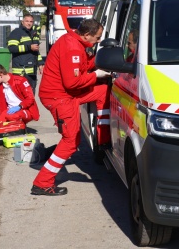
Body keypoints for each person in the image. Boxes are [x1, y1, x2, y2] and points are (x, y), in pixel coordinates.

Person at [31, 18, 110, 196]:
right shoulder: (73, 47)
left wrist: (100, 62)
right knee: (71, 141)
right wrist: (96, 75)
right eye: (96, 38)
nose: (97, 41)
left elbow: (83, 64)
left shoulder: (75, 42)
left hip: (65, 95)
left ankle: (103, 138)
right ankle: (42, 183)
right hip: (60, 97)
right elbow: (72, 82)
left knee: (102, 91)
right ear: (87, 34)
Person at [8, 13, 44, 92]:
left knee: (31, 95)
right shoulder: (16, 33)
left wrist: (40, 64)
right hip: (21, 71)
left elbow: (35, 51)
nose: (29, 23)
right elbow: (12, 48)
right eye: (27, 21)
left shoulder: (33, 34)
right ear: (22, 22)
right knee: (21, 95)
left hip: (31, 72)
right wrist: (29, 47)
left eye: (31, 21)